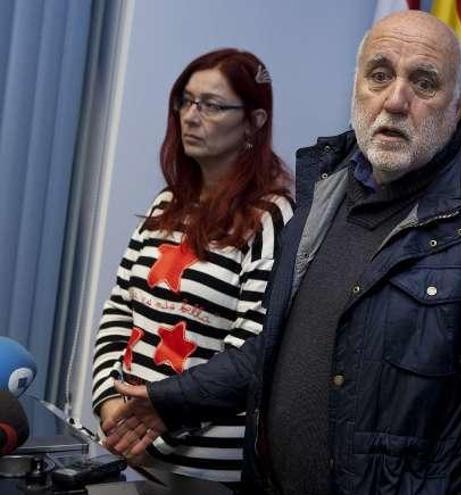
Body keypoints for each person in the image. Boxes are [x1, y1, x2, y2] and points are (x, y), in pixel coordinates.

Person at [103, 11, 461, 495]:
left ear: (457, 102)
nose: (396, 100)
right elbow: (278, 347)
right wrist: (170, 401)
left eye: (424, 83)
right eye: (379, 75)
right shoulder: (325, 188)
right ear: (356, 84)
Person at [91, 48, 294, 484]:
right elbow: (118, 314)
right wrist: (109, 404)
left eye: (213, 105)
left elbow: (246, 354)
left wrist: (154, 425)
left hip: (201, 468)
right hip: (125, 446)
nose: (191, 115)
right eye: (186, 100)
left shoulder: (272, 218)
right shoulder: (166, 204)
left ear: (254, 123)